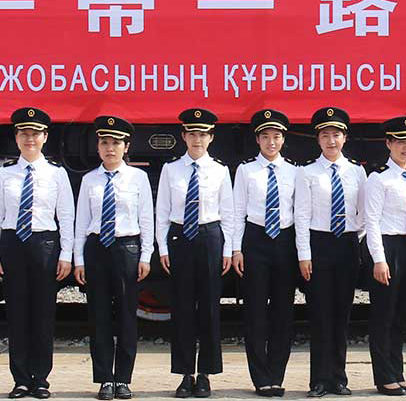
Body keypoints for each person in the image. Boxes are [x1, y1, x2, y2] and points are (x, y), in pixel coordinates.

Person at [0, 107, 76, 399]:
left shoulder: (57, 173)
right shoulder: (5, 174)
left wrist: (66, 254)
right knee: (17, 314)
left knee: (43, 314)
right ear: (16, 137)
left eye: (35, 133)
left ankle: (41, 379)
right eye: (24, 133)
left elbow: (66, 215)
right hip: (13, 243)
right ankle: (20, 379)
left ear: (45, 137)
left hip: (44, 245)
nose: (29, 139)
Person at [74, 115, 154, 400]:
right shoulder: (89, 180)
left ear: (126, 146)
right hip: (97, 248)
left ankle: (123, 379)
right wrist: (79, 259)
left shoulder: (138, 178)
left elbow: (146, 218)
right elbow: (81, 221)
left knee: (127, 316)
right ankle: (105, 379)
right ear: (98, 147)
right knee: (99, 316)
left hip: (126, 248)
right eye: (105, 142)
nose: (110, 148)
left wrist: (146, 255)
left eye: (116, 143)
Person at [157, 109, 235, 398]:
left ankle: (206, 374)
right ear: (183, 136)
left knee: (210, 309)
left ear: (211, 137)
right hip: (180, 237)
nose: (197, 139)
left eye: (202, 134)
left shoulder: (220, 170)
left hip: (209, 236)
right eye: (192, 134)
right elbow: (162, 212)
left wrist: (228, 249)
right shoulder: (171, 170)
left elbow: (228, 212)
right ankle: (185, 373)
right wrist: (162, 247)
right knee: (182, 308)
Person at [294, 107, 367, 398]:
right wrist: (304, 254)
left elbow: (363, 212)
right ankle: (319, 380)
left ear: (345, 138)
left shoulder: (357, 171)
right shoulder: (307, 172)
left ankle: (339, 378)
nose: (331, 140)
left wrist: (353, 237)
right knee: (320, 315)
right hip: (318, 245)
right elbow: (301, 215)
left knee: (341, 315)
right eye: (325, 135)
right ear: (318, 139)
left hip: (346, 244)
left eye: (336, 134)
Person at [230, 110, 300, 397]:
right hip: (255, 240)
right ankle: (260, 378)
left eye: (276, 136)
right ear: (257, 140)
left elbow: (301, 212)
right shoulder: (246, 170)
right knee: (255, 311)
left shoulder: (295, 171)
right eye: (266, 137)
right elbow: (237, 211)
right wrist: (236, 249)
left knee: (283, 312)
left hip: (285, 240)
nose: (271, 142)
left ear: (283, 139)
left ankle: (276, 375)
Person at [361, 116, 406, 396]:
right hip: (387, 247)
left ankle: (398, 373)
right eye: (401, 141)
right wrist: (378, 259)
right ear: (388, 143)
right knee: (384, 314)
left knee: (401, 315)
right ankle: (384, 377)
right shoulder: (378, 177)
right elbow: (371, 221)